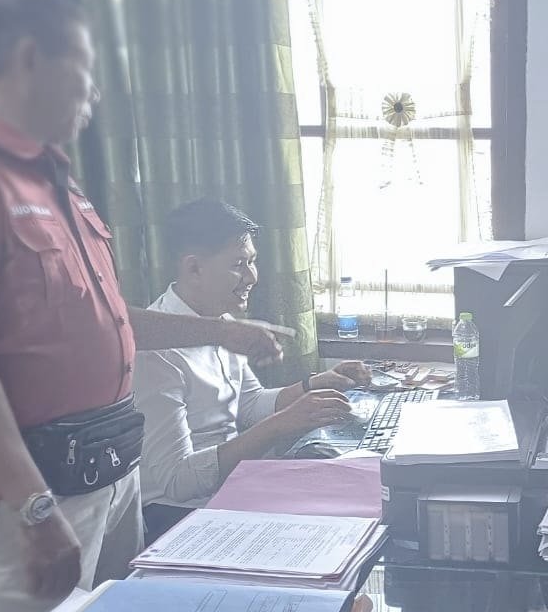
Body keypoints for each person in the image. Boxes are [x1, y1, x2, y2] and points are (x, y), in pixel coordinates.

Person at [0, 0, 289, 612]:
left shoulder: (55, 183)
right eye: (85, 71)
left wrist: (222, 332)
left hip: (111, 469)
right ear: (29, 60)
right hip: (37, 489)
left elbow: (109, 322)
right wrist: (32, 506)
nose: (95, 94)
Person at [135, 198, 373, 541]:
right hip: (178, 515)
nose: (251, 277)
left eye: (252, 261)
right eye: (238, 265)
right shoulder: (155, 352)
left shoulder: (222, 322)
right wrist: (281, 425)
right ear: (194, 269)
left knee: (358, 491)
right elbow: (178, 481)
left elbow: (249, 404)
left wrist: (315, 384)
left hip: (229, 491)